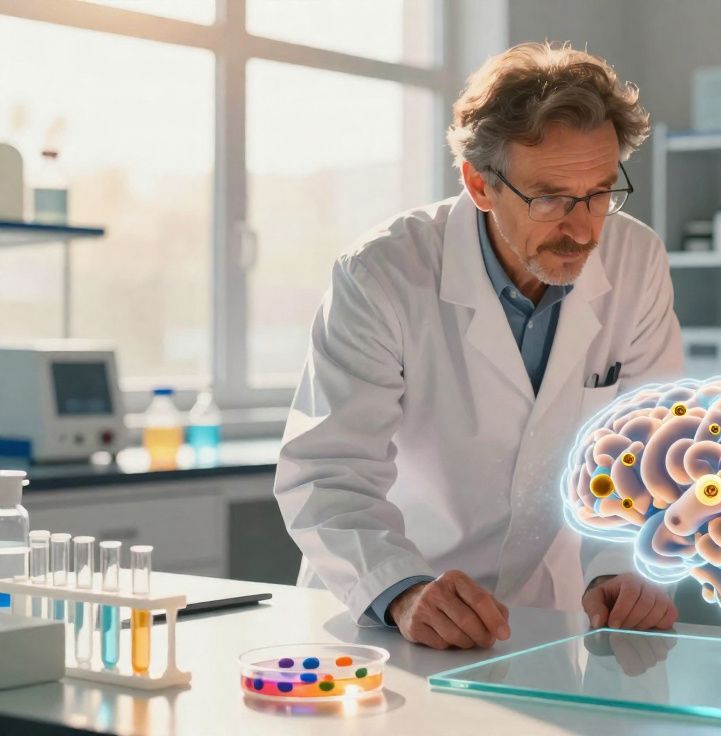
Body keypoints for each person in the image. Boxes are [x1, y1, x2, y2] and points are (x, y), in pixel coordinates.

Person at [274, 42, 683, 651]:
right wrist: (401, 588)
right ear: (479, 184)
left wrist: (623, 569)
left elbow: (648, 453)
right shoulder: (383, 272)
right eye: (549, 198)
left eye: (600, 193)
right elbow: (328, 471)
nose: (583, 229)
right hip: (395, 617)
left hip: (545, 616)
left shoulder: (636, 258)